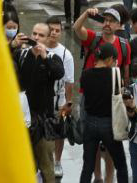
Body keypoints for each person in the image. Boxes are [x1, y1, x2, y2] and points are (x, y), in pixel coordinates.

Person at [11, 21, 65, 183]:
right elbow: (1, 61)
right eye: (34, 34)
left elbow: (58, 73)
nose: (36, 38)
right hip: (23, 119)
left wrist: (44, 56)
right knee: (24, 164)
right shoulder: (21, 55)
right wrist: (12, 45)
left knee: (46, 165)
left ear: (48, 38)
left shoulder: (52, 57)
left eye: (41, 35)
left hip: (43, 122)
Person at [77, 42, 133, 183]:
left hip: (90, 123)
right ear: (109, 59)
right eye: (115, 60)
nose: (115, 63)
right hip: (109, 124)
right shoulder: (115, 74)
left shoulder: (85, 74)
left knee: (88, 166)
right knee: (120, 164)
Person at [47, 17, 78, 176]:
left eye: (57, 30)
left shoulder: (66, 54)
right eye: (51, 30)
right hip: (40, 100)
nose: (54, 33)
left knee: (59, 132)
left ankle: (57, 161)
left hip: (60, 101)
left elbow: (69, 81)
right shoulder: (37, 47)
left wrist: (68, 103)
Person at [76, 7, 133, 76]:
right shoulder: (93, 37)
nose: (107, 23)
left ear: (118, 25)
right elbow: (77, 28)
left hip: (111, 82)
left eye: (111, 21)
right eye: (106, 20)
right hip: (90, 82)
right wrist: (86, 14)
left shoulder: (124, 45)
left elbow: (126, 73)